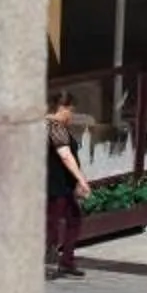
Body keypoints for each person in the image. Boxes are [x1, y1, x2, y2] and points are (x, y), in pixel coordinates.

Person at [45, 92, 89, 278]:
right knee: (51, 226)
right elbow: (65, 156)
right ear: (61, 108)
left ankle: (67, 261)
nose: (71, 115)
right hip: (56, 185)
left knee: (73, 219)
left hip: (59, 184)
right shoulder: (55, 127)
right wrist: (81, 179)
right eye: (70, 111)